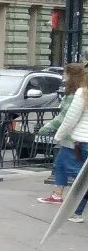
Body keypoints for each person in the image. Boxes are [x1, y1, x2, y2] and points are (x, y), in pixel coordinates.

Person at [38, 63, 86, 215]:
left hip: (76, 140)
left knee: (77, 175)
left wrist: (55, 133)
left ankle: (65, 202)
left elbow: (67, 118)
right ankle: (70, 206)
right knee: (69, 171)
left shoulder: (79, 93)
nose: (63, 77)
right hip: (77, 140)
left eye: (65, 74)